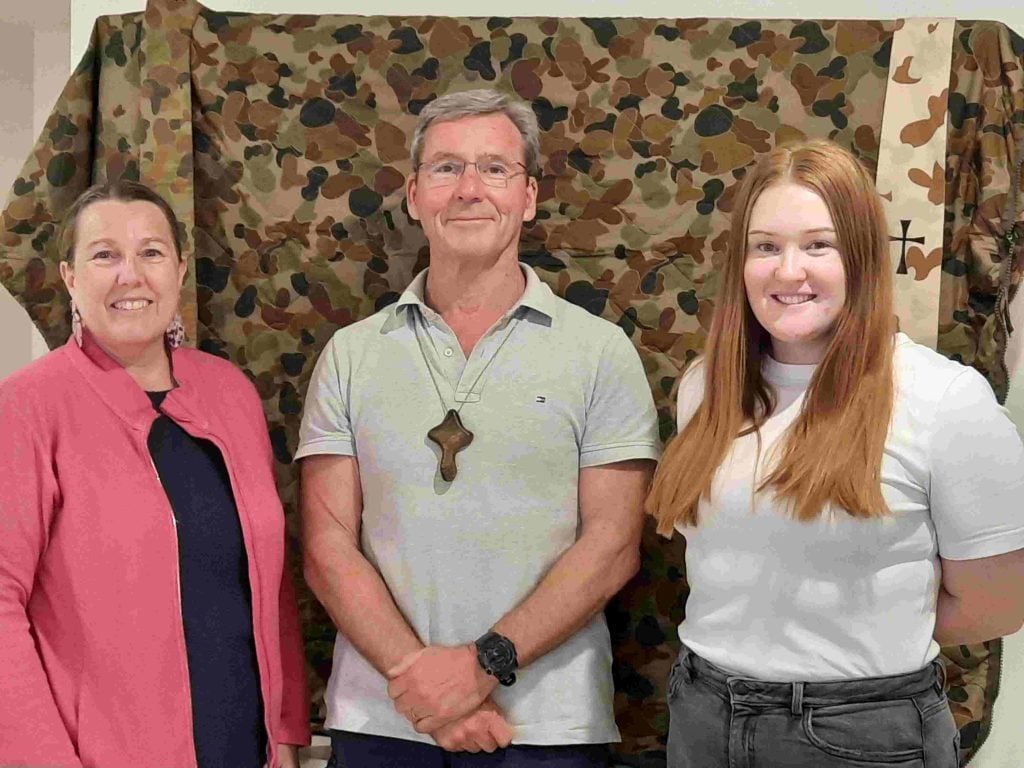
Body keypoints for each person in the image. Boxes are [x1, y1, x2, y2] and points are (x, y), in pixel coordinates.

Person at [298, 88, 660, 767]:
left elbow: (612, 546)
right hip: (384, 718)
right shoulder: (351, 353)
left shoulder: (601, 351)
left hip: (547, 728)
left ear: (527, 196)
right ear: (413, 195)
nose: (469, 189)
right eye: (445, 168)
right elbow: (327, 548)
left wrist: (481, 667)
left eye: (494, 168)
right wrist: (428, 686)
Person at [645, 139, 1024, 767]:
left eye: (818, 245)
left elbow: (998, 604)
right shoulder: (705, 386)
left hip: (859, 733)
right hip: (702, 714)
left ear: (862, 257)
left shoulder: (944, 401)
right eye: (766, 246)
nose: (788, 271)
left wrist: (864, 634)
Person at [0, 181, 311, 768]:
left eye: (150, 252)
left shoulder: (230, 393)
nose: (130, 275)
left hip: (250, 750)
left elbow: (271, 581)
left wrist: (288, 734)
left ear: (180, 268)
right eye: (104, 255)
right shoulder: (27, 407)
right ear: (70, 277)